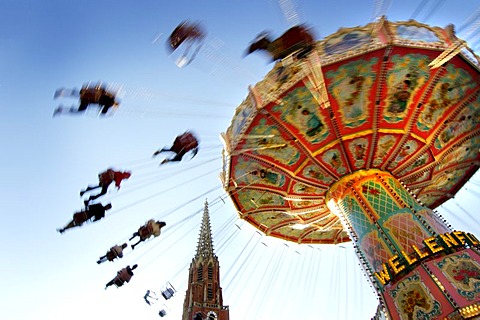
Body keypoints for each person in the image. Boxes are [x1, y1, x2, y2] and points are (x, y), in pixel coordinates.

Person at [53, 84, 119, 117]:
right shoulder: (110, 101)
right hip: (90, 98)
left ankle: (60, 109)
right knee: (76, 94)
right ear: (115, 103)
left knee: (77, 97)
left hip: (89, 99)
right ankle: (61, 94)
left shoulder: (110, 101)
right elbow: (103, 112)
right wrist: (108, 114)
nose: (114, 105)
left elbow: (103, 111)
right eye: (115, 105)